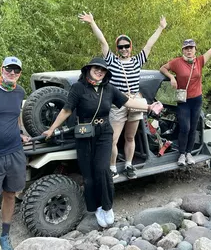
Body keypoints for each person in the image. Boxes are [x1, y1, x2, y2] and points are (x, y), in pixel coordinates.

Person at [43, 57, 160, 228]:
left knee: (102, 169)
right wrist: (52, 128)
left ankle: (107, 207)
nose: (99, 71)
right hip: (84, 133)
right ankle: (95, 207)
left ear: (106, 73)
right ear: (89, 69)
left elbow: (128, 102)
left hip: (104, 132)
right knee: (88, 174)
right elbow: (67, 110)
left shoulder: (109, 89)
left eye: (103, 69)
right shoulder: (78, 88)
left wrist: (148, 107)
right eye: (96, 68)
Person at [78, 12, 167, 179]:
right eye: (121, 47)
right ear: (117, 49)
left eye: (127, 46)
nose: (124, 49)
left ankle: (128, 164)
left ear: (131, 47)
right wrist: (92, 23)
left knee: (130, 137)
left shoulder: (137, 61)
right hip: (118, 103)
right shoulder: (112, 61)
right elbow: (103, 41)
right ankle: (112, 167)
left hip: (134, 102)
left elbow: (149, 44)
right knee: (112, 138)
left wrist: (160, 28)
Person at [160, 25, 211, 166]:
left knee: (193, 128)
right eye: (186, 48)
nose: (189, 51)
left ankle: (189, 153)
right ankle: (181, 154)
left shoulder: (199, 61)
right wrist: (171, 78)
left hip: (196, 100)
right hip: (183, 101)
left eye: (191, 48)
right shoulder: (176, 62)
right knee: (184, 128)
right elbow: (162, 68)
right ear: (183, 50)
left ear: (195, 50)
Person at [0, 56, 29, 250]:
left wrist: (21, 133)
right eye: (9, 69)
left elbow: (16, 117)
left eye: (16, 70)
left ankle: (4, 236)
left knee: (10, 194)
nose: (12, 73)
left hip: (14, 152)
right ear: (2, 69)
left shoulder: (19, 92)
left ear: (20, 73)